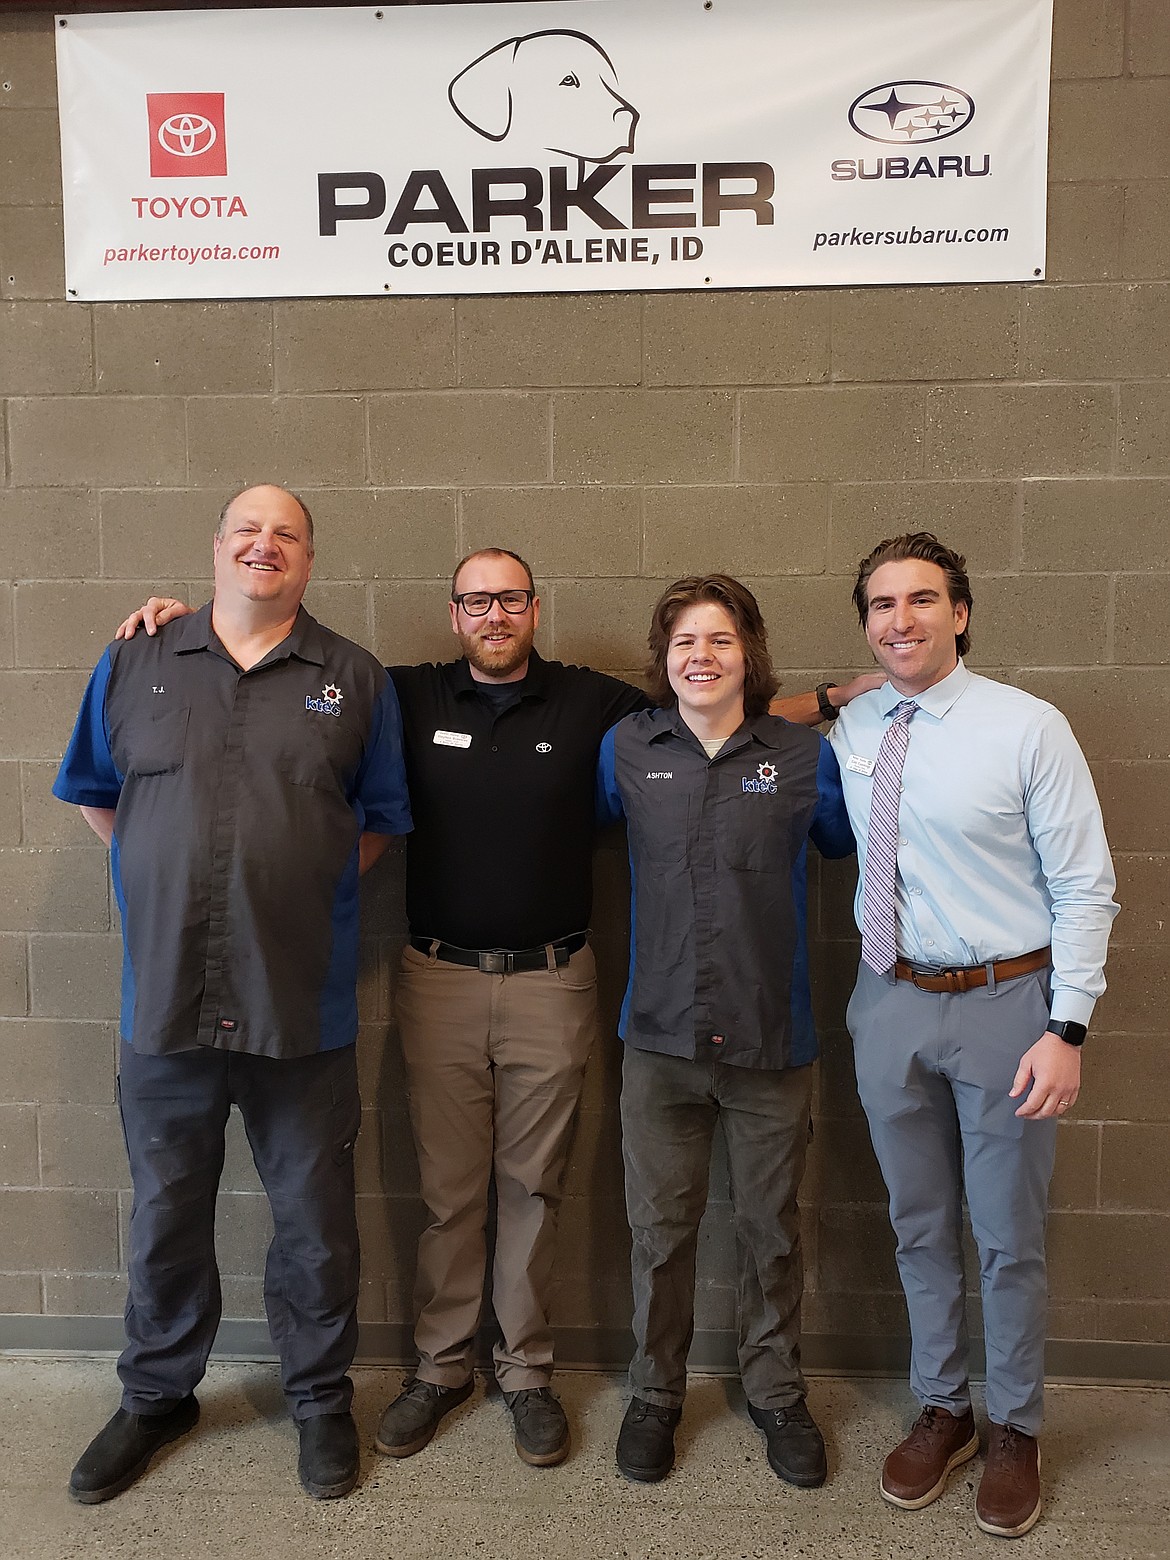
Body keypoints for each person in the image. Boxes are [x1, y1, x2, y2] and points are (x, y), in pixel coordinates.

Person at [118, 553, 877, 1469]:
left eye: (509, 598)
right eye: (475, 599)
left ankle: (525, 1376)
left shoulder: (595, 709)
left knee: (535, 1191)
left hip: (556, 981)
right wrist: (187, 621)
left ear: (533, 607)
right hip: (437, 977)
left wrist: (832, 700)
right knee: (449, 1196)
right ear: (454, 614)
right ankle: (441, 1371)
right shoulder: (398, 693)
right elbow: (278, 675)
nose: (492, 613)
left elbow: (717, 724)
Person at [54, 485, 412, 1505]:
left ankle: (318, 1400)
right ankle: (157, 1397)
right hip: (165, 1001)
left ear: (309, 560)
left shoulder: (354, 678)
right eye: (248, 531)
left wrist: (286, 886)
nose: (267, 546)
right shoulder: (134, 660)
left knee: (314, 1217)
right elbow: (100, 799)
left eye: (287, 534)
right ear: (218, 550)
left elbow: (375, 826)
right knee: (167, 1210)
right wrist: (174, 884)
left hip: (299, 1004)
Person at [829, 532, 1118, 1539]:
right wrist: (830, 696)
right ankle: (944, 1406)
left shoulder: (1028, 727)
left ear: (961, 611)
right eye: (881, 604)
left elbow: (1086, 883)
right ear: (865, 622)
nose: (900, 619)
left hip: (1008, 1007)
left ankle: (1015, 1427)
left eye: (920, 600)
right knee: (917, 1223)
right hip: (889, 1000)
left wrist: (1066, 1025)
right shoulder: (858, 725)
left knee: (1004, 1236)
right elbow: (747, 714)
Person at [595, 575, 854, 1487]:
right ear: (663, 660)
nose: (700, 656)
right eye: (683, 643)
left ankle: (776, 1393)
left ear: (750, 653)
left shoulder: (800, 757)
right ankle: (655, 1395)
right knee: (659, 1231)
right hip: (658, 1038)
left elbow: (842, 844)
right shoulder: (627, 749)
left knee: (770, 1231)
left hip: (770, 1040)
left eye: (720, 640)